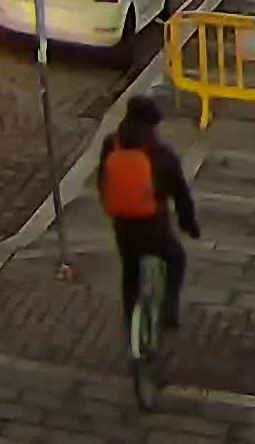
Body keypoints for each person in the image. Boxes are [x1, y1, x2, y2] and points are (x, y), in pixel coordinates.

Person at [96, 94, 200, 331]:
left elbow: (103, 180)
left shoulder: (111, 144)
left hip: (122, 224)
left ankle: (129, 319)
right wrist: (189, 224)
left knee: (130, 271)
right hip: (153, 226)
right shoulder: (163, 154)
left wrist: (110, 204)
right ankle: (169, 308)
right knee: (175, 258)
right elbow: (180, 194)